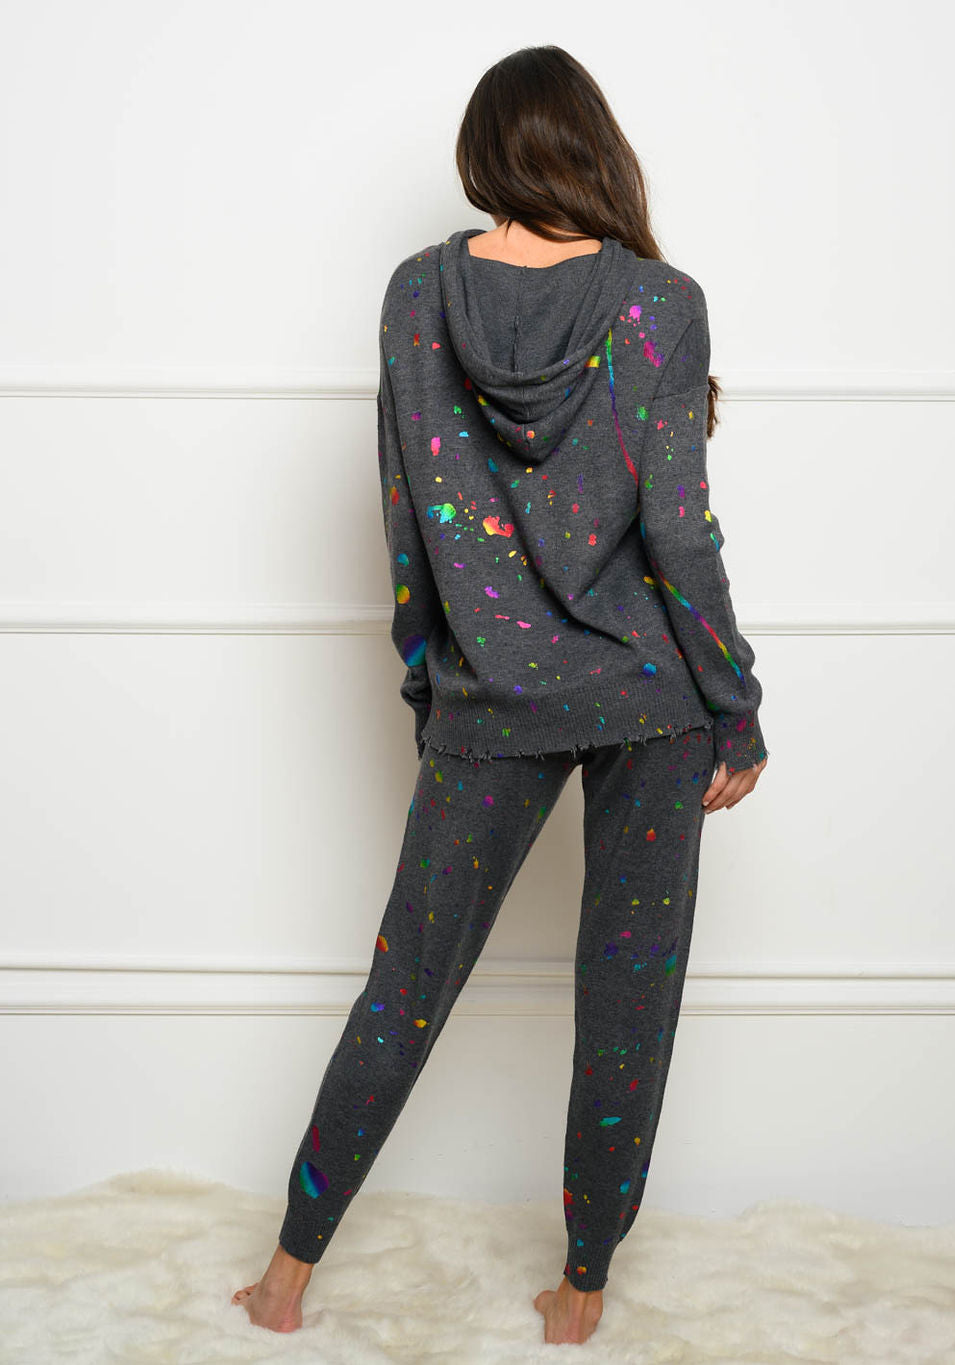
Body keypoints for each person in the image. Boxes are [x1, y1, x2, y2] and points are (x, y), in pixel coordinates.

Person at [233, 43, 769, 1346]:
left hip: (493, 696)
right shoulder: (658, 301)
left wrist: (435, 683)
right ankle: (582, 1293)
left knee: (403, 983)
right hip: (653, 700)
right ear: (596, 149)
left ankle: (286, 1280)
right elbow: (679, 530)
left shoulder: (418, 294)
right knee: (629, 997)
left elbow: (406, 514)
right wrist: (736, 703)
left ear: (484, 157)